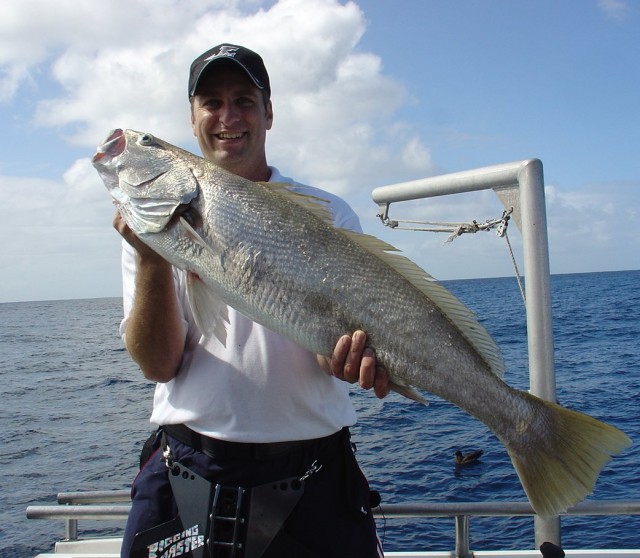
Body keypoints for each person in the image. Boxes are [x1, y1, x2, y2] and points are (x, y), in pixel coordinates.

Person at [114, 43, 389, 558]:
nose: (228, 116)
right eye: (211, 102)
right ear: (193, 117)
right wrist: (153, 255)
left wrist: (346, 359)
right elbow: (159, 364)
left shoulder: (328, 214)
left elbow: (332, 351)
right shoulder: (154, 219)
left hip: (313, 470)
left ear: (268, 112)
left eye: (244, 99)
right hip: (187, 467)